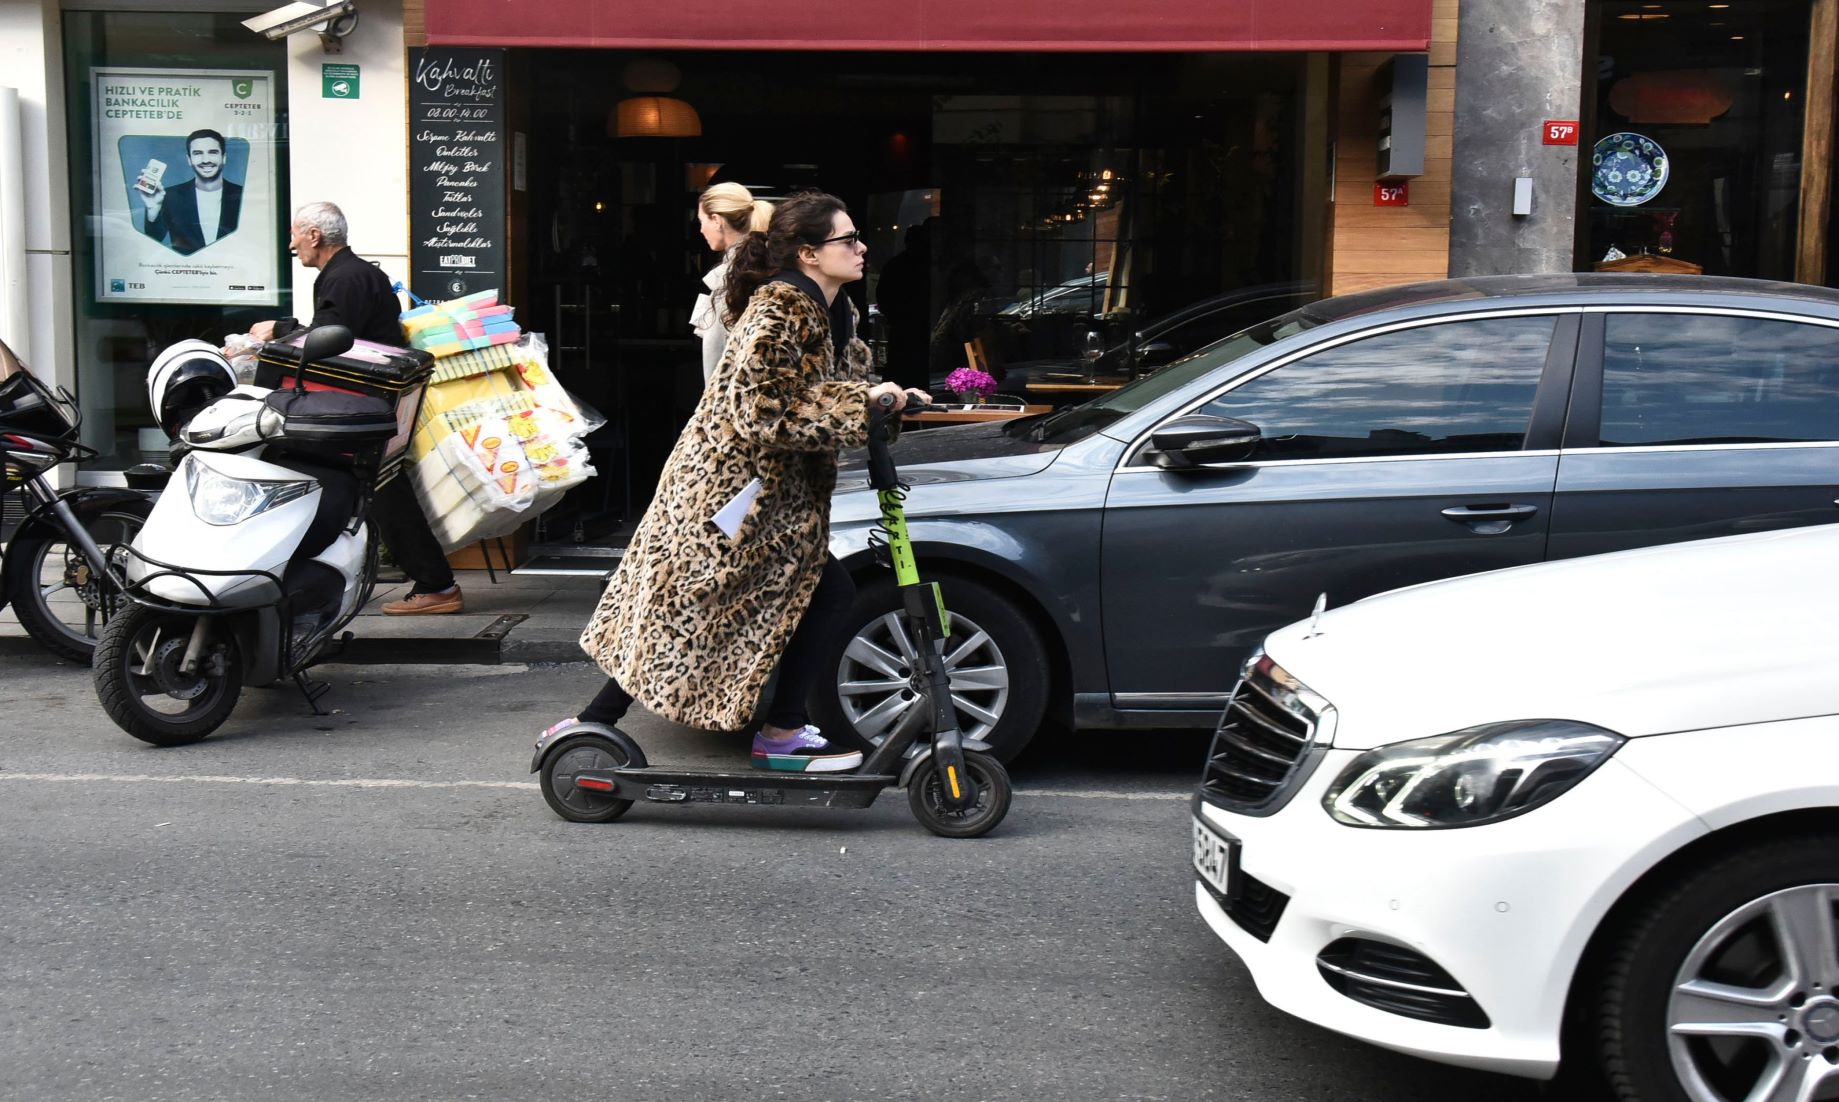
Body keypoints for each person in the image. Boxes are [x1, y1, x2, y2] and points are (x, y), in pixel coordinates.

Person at [554, 191, 926, 771]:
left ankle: (602, 721)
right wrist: (863, 405)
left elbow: (838, 385)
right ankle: (774, 731)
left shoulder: (836, 308)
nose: (861, 247)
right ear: (808, 252)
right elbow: (759, 409)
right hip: (735, 493)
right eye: (847, 239)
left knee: (703, 602)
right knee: (700, 601)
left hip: (774, 496)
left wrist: (886, 399)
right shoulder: (780, 308)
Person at [243, 201, 464, 616]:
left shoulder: (345, 278)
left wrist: (280, 330)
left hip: (367, 407)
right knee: (375, 491)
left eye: (295, 234)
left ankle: (437, 584)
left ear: (314, 235)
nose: (292, 244)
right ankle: (424, 580)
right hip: (371, 403)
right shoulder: (351, 273)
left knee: (381, 492)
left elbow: (333, 337)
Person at [689, 182, 772, 384]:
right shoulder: (770, 264)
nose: (701, 229)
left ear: (717, 221)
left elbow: (716, 365)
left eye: (702, 221)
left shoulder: (731, 279)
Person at [140, 129, 243, 256]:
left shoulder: (244, 196)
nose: (206, 160)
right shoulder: (170, 196)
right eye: (198, 153)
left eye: (212, 152)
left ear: (224, 157)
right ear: (189, 159)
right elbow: (153, 241)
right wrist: (152, 210)